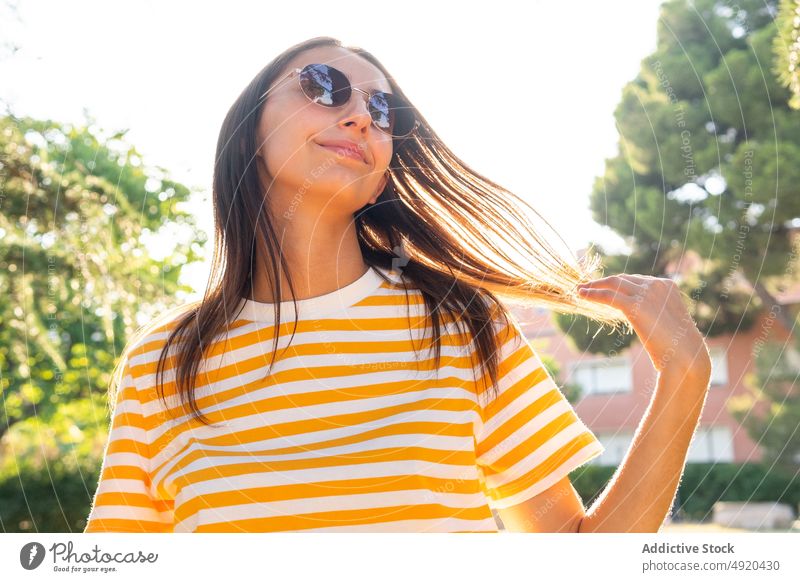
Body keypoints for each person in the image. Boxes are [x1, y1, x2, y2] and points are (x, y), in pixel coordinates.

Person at [83, 36, 711, 533]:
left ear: (383, 175)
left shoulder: (462, 324)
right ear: (248, 128)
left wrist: (685, 378)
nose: (360, 115)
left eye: (384, 111)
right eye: (323, 87)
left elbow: (580, 560)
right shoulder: (161, 361)